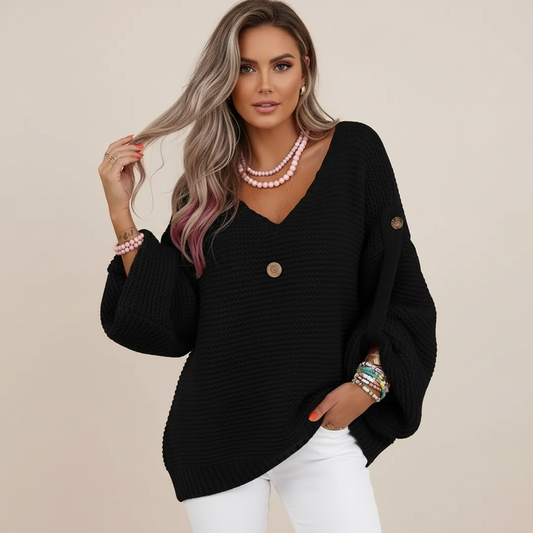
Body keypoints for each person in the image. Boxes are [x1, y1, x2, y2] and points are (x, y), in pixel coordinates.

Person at [98, 1, 437, 532]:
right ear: (224, 80)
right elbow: (173, 324)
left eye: (281, 65)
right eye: (245, 68)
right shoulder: (202, 191)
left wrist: (370, 384)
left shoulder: (356, 153)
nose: (264, 85)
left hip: (319, 427)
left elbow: (399, 290)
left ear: (305, 70)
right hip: (217, 433)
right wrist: (122, 214)